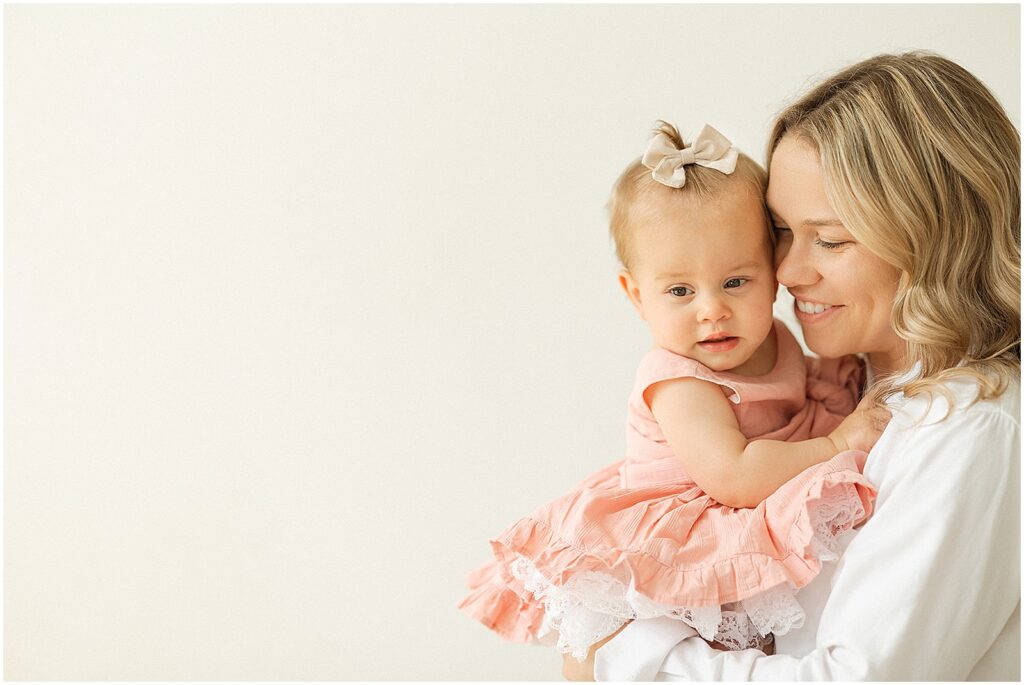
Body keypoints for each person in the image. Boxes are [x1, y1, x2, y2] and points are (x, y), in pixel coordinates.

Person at [567, 51, 1021, 681]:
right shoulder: (841, 391)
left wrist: (622, 657)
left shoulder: (971, 428)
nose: (784, 273)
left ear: (933, 238)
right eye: (780, 232)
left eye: (829, 239)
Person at [458, 121, 885, 665]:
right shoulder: (680, 379)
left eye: (736, 282)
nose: (712, 309)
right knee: (657, 654)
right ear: (636, 295)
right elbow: (733, 475)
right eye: (680, 291)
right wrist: (836, 444)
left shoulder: (778, 339)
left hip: (745, 518)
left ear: (774, 274)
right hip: (686, 536)